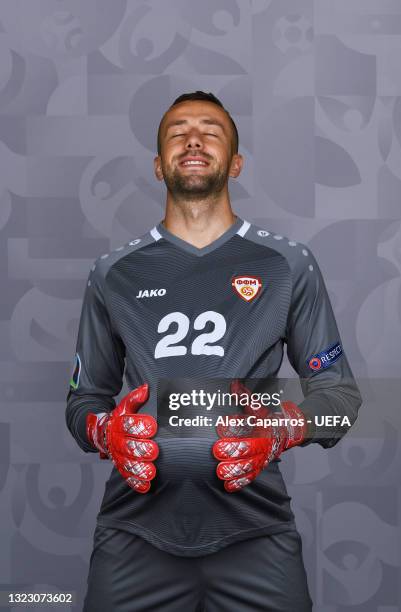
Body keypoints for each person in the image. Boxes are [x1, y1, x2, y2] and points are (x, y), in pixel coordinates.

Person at [66, 91, 362, 611]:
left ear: (237, 162)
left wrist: (279, 428)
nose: (194, 139)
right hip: (134, 536)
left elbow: (339, 397)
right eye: (178, 132)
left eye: (211, 131)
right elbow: (83, 399)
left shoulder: (287, 264)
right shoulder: (113, 272)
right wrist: (103, 432)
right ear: (159, 166)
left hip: (257, 534)